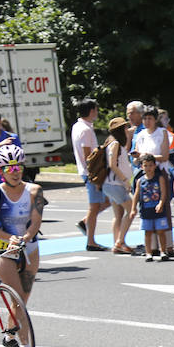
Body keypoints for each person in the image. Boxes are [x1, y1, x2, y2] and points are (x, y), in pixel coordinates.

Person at [0, 144, 40, 347]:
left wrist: (25, 237)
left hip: (29, 247)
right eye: (9, 168)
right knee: (17, 298)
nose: (15, 172)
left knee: (22, 298)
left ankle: (9, 332)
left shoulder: (34, 190)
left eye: (18, 167)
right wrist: (11, 238)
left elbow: (36, 221)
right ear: (1, 171)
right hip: (3, 248)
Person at [70, 99, 109, 251]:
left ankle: (85, 223)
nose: (97, 113)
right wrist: (95, 176)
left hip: (87, 172)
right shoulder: (85, 130)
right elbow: (88, 155)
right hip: (91, 173)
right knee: (94, 207)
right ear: (92, 111)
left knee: (106, 201)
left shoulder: (78, 126)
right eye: (96, 110)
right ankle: (91, 241)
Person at [102, 118, 136, 254]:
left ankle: (118, 243)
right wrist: (125, 180)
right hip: (115, 184)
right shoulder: (115, 143)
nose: (127, 130)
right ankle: (119, 242)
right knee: (132, 210)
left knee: (118, 214)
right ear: (121, 130)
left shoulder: (111, 142)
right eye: (125, 128)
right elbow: (112, 164)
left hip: (110, 184)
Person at [132, 154, 174, 260]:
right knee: (148, 232)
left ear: (155, 166)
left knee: (161, 231)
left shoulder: (159, 178)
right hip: (145, 210)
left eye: (150, 165)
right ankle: (148, 253)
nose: (148, 168)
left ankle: (163, 251)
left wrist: (161, 203)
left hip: (158, 209)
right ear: (142, 167)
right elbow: (136, 195)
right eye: (145, 166)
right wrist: (133, 208)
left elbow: (163, 192)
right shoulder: (140, 181)